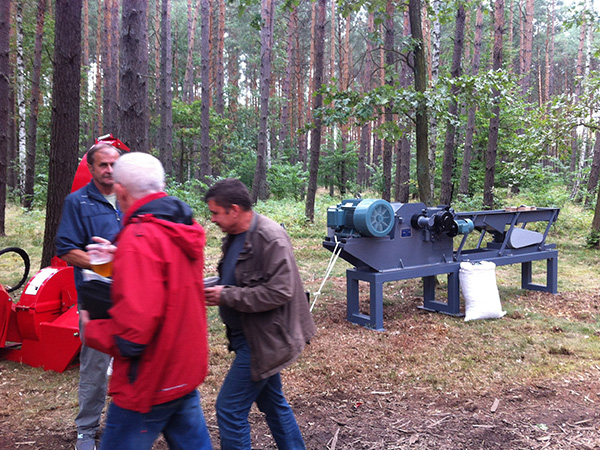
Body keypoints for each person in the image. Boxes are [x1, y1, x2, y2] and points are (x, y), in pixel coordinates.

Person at [81, 152, 212, 450]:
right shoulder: (181, 226)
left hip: (149, 380)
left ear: (120, 190)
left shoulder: (139, 239)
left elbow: (132, 337)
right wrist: (122, 257)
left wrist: (93, 330)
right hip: (183, 369)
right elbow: (169, 276)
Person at [204, 178, 316, 450]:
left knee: (229, 409)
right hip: (249, 335)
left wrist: (226, 295)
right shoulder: (235, 235)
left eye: (215, 213)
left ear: (234, 210)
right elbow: (237, 278)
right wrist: (211, 285)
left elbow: (280, 291)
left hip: (265, 340)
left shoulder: (269, 237)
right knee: (272, 402)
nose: (212, 219)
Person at [55, 143, 122, 450]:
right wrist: (101, 263)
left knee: (136, 360)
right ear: (92, 168)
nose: (109, 170)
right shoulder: (77, 202)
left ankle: (129, 424)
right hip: (96, 299)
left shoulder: (131, 198)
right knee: (95, 365)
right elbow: (66, 249)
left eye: (114, 164)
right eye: (103, 165)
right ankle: (86, 430)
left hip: (133, 297)